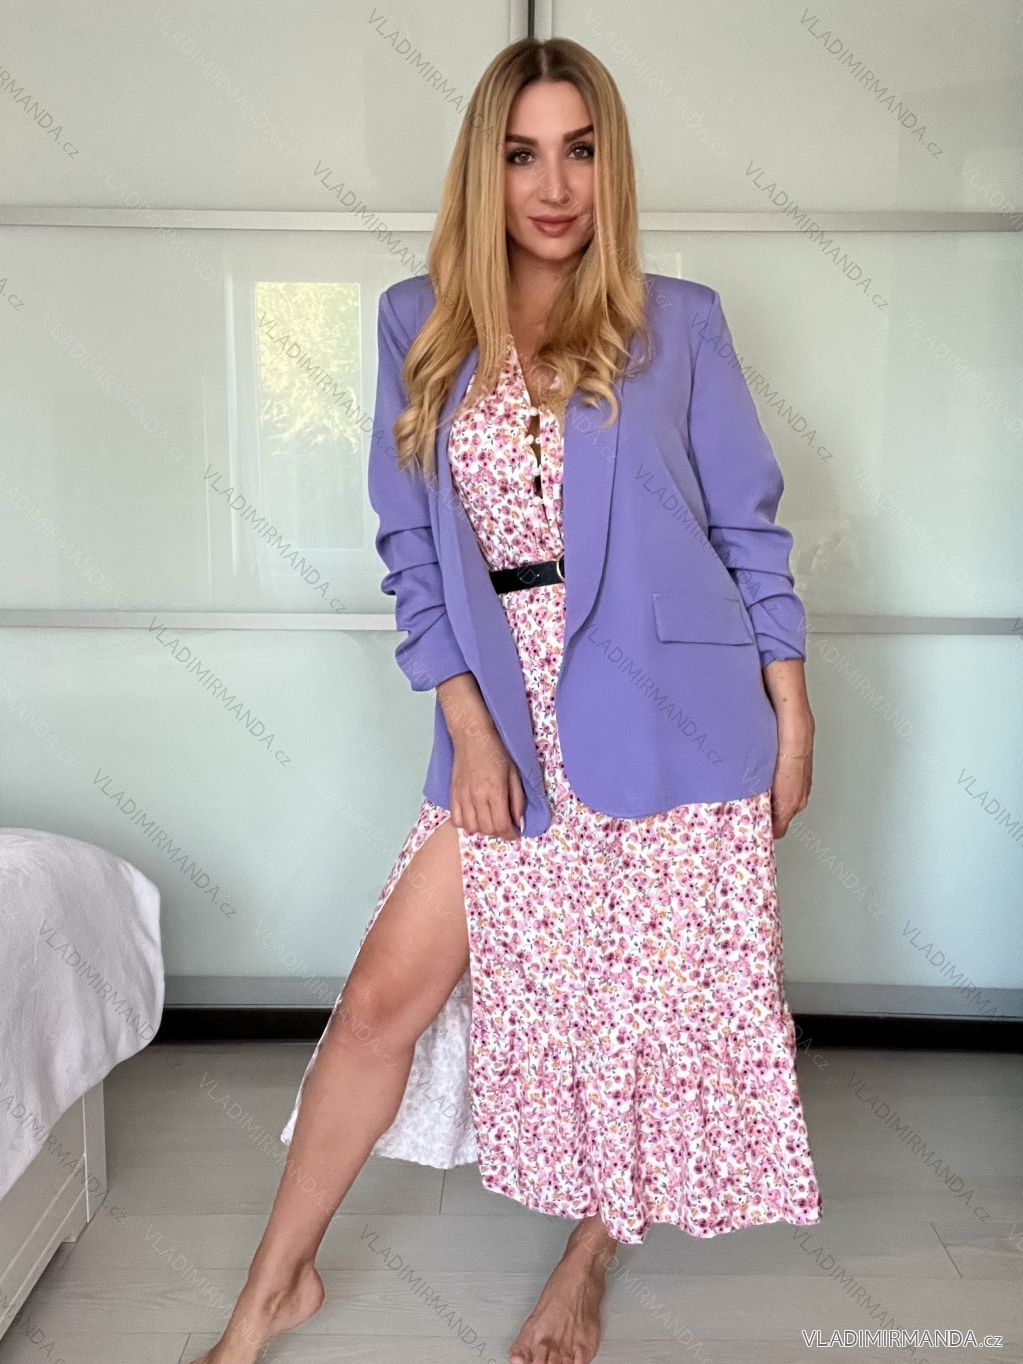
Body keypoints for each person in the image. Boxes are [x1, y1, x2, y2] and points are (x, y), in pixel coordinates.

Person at [191, 35, 822, 1364]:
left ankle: (591, 1256)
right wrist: (472, 727)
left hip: (674, 711)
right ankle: (269, 1296)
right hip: (507, 709)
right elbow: (412, 554)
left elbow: (751, 533)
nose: (554, 186)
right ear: (485, 170)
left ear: (612, 165)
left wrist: (794, 712)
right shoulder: (417, 324)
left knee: (643, 1012)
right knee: (383, 1000)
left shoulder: (681, 322)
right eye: (524, 155)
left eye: (580, 151)